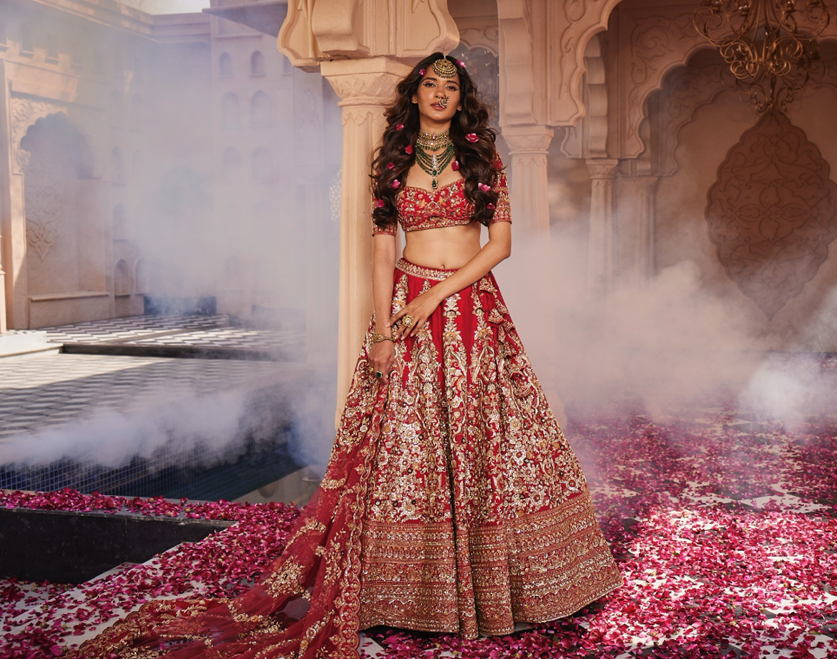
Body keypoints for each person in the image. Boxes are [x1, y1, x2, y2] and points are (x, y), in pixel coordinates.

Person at [71, 52, 621, 659]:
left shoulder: (481, 159)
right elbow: (383, 254)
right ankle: (411, 592)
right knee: (405, 449)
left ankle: (501, 586)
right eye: (430, 84)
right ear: (414, 95)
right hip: (405, 308)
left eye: (451, 86)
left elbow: (504, 245)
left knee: (488, 439)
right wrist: (382, 330)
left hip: (467, 308)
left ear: (461, 99)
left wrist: (437, 292)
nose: (440, 92)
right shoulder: (389, 162)